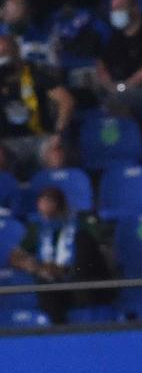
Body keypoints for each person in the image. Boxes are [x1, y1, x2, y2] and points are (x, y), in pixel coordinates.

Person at [7, 186, 111, 324]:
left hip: (81, 278)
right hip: (49, 282)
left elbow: (101, 251)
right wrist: (35, 267)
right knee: (46, 289)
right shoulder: (38, 227)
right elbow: (15, 255)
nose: (44, 206)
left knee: (83, 240)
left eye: (50, 201)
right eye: (42, 202)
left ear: (61, 204)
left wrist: (65, 270)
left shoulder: (81, 222)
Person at [0, 34, 73, 180]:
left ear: (16, 51)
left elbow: (66, 100)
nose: (2, 57)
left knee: (56, 156)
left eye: (5, 52)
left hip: (40, 137)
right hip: (9, 141)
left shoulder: (35, 73)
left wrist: (58, 133)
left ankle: (53, 198)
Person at [1, 0, 53, 65]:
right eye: (11, 8)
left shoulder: (43, 38)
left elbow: (52, 66)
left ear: (28, 14)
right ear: (4, 13)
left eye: (20, 5)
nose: (16, 11)